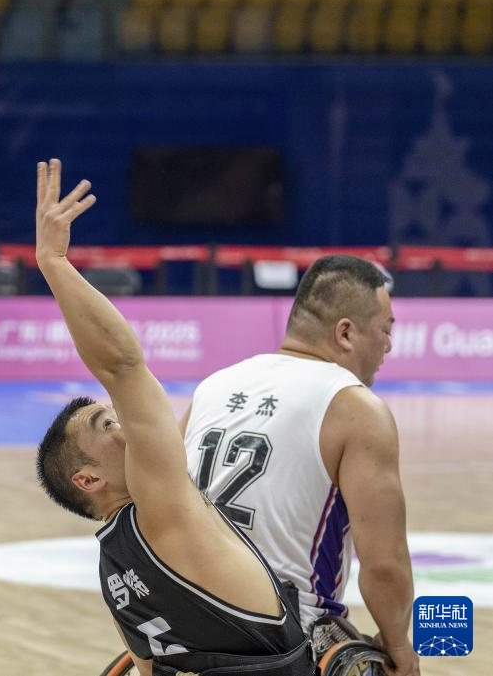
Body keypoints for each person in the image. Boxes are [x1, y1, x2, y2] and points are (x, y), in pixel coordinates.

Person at [33, 160, 314, 676]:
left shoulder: (113, 573)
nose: (125, 424)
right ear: (88, 479)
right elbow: (122, 365)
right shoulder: (160, 511)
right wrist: (54, 262)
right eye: (108, 426)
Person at [180, 255, 419, 676]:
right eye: (386, 329)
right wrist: (399, 646)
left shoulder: (213, 386)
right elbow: (384, 566)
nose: (389, 345)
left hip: (186, 622)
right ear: (345, 333)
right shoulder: (357, 408)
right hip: (284, 638)